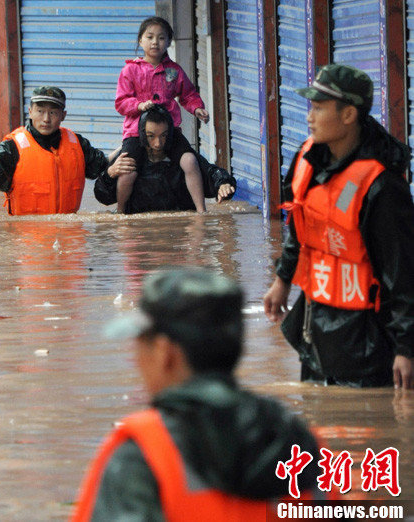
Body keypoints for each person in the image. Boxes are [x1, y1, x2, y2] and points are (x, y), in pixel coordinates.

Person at [70, 268, 322, 521]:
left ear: (164, 352)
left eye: (140, 345)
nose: (136, 360)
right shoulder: (298, 442)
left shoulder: (140, 457)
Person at [263, 64, 414, 389]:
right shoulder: (307, 161)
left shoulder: (382, 186)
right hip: (315, 328)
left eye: (319, 108)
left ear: (348, 115)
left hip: (368, 340)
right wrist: (282, 280)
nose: (309, 117)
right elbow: (300, 228)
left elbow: (403, 273)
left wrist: (406, 348)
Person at [0, 86, 108, 215]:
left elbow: (102, 165)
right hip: (26, 237)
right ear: (30, 112)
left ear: (63, 115)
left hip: (68, 236)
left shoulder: (77, 143)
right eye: (40, 111)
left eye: (53, 113)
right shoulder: (14, 145)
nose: (46, 119)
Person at [115, 16, 210, 214]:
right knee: (128, 170)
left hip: (169, 131)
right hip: (136, 132)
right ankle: (121, 212)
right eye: (149, 37)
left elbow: (188, 94)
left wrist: (197, 108)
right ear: (140, 40)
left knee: (190, 161)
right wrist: (139, 106)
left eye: (161, 38)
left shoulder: (174, 71)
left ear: (168, 42)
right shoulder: (130, 70)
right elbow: (121, 103)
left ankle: (201, 211)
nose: (155, 42)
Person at [94, 105, 236, 213]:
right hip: (139, 236)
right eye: (151, 136)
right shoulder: (130, 157)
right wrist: (110, 173)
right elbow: (102, 195)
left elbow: (211, 172)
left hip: (179, 234)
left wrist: (223, 184)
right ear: (143, 134)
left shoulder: (184, 157)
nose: (158, 144)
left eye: (164, 136)